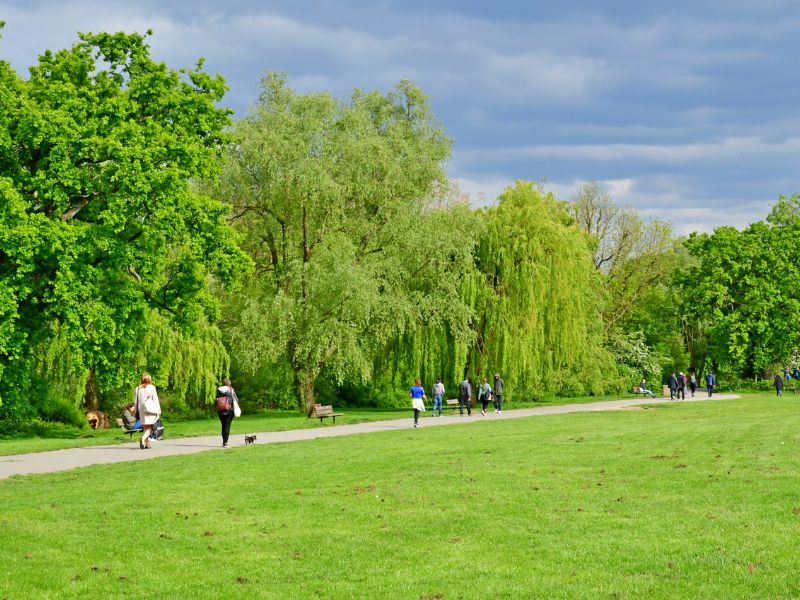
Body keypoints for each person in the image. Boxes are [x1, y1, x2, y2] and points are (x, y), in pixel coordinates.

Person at [134, 373, 160, 449]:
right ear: (149, 380)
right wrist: (158, 409)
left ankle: (147, 444)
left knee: (145, 427)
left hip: (141, 410)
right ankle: (142, 439)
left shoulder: (137, 388)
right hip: (150, 410)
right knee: (150, 427)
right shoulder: (152, 388)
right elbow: (155, 399)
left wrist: (136, 410)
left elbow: (136, 401)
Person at [216, 378, 239, 447]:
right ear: (229, 383)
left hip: (220, 411)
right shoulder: (231, 390)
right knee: (227, 426)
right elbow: (236, 399)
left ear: (223, 383)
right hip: (229, 410)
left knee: (223, 425)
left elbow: (216, 400)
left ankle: (223, 442)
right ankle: (225, 443)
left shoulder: (219, 390)